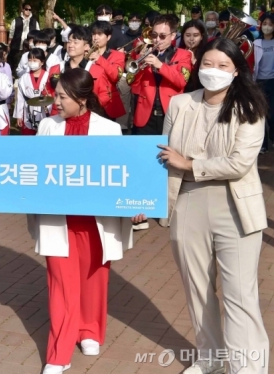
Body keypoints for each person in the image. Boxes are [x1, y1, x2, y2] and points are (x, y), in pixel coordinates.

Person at [134, 38, 269, 374]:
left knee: (240, 294)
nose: (213, 71)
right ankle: (210, 358)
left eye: (223, 65)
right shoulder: (180, 104)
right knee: (198, 289)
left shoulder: (250, 108)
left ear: (237, 71)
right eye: (207, 64)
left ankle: (246, 367)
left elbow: (239, 163)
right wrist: (146, 201)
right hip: (188, 202)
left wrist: (190, 164)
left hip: (234, 206)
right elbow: (162, 158)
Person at [32, 68, 132, 374]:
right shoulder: (48, 126)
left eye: (62, 96)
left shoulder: (109, 130)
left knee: (94, 279)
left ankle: (89, 330)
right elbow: (32, 169)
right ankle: (59, 353)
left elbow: (123, 175)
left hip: (95, 220)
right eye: (56, 95)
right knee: (60, 286)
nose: (56, 101)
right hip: (57, 219)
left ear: (82, 97)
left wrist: (137, 202)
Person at [129, 14, 192, 135]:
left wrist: (160, 66)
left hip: (170, 113)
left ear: (173, 35)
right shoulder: (145, 53)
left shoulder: (183, 55)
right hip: (145, 115)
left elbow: (181, 81)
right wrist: (140, 62)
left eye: (162, 36)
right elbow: (131, 82)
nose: (157, 40)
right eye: (154, 35)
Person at [46, 25, 125, 121]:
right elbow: (48, 91)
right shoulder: (56, 68)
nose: (71, 45)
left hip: (88, 118)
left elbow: (105, 95)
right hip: (60, 118)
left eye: (76, 42)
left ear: (86, 46)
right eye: (69, 41)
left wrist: (88, 107)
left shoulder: (97, 70)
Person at [87, 21, 127, 121]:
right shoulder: (86, 54)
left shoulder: (117, 55)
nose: (95, 37)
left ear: (108, 37)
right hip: (87, 102)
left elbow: (116, 76)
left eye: (100, 34)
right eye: (93, 34)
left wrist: (99, 59)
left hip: (108, 104)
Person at [14, 48, 50, 135]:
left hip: (44, 109)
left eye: (35, 60)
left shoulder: (48, 76)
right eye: (30, 60)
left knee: (43, 133)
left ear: (42, 62)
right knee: (28, 135)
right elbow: (20, 98)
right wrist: (19, 115)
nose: (32, 62)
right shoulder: (23, 78)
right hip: (28, 109)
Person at [254, 13, 274, 153]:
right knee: (260, 113)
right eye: (265, 23)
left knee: (272, 113)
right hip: (258, 82)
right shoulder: (256, 43)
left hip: (272, 81)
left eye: (270, 24)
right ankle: (263, 144)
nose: (267, 27)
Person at [9, 3, 40, 72]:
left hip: (30, 47)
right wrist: (10, 43)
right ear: (23, 9)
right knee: (17, 63)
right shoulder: (16, 20)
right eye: (26, 9)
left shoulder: (34, 21)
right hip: (18, 47)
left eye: (30, 9)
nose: (28, 11)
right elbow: (11, 32)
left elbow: (38, 33)